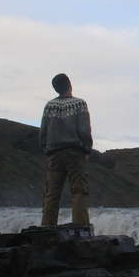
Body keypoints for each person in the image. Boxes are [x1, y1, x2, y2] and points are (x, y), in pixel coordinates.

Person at [39, 73, 93, 228]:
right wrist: (87, 149)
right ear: (70, 84)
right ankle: (80, 228)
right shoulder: (79, 104)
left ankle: (47, 228)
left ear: (56, 89)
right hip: (75, 153)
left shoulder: (49, 106)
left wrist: (46, 150)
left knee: (52, 193)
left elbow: (43, 132)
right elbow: (84, 130)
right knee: (79, 191)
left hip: (54, 154)